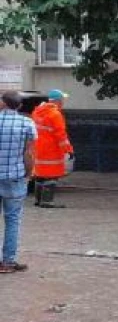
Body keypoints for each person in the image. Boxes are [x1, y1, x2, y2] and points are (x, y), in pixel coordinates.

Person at [0, 91, 37, 273]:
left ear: (2, 104)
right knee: (13, 219)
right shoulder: (27, 123)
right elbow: (28, 154)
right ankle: (7, 262)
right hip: (14, 177)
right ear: (20, 106)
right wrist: (28, 174)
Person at [31, 89, 73, 208]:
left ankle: (38, 200)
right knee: (51, 175)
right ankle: (47, 201)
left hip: (38, 148)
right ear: (58, 101)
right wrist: (69, 150)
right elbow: (61, 136)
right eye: (62, 100)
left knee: (40, 175)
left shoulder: (37, 112)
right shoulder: (55, 114)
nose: (63, 102)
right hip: (51, 150)